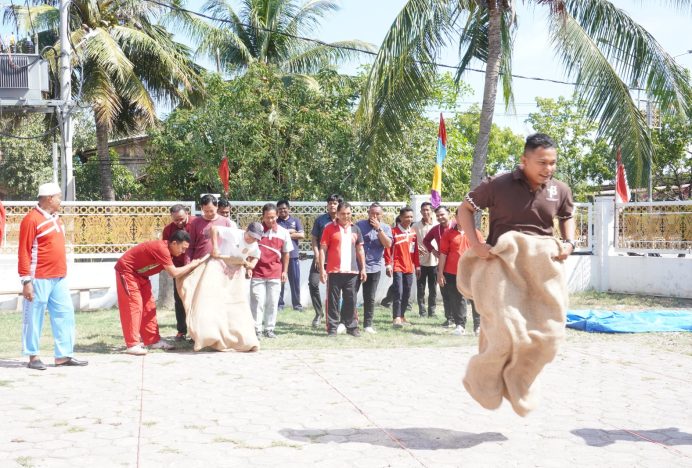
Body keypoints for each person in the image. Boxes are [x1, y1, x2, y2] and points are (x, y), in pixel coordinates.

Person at [458, 133, 575, 259]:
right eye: (542, 162)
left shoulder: (561, 189)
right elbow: (465, 208)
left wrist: (569, 244)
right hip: (501, 267)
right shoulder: (497, 184)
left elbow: (567, 216)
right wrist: (476, 245)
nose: (548, 169)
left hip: (542, 267)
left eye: (552, 163)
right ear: (524, 160)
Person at [18, 182, 88, 370]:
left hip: (59, 277)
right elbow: (24, 252)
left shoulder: (57, 218)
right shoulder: (31, 219)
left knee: (65, 314)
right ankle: (33, 356)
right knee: (33, 317)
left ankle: (63, 356)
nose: (60, 201)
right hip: (38, 277)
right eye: (58, 197)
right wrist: (26, 281)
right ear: (49, 198)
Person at [175, 222, 262, 352]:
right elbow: (214, 229)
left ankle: (235, 339)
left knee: (235, 306)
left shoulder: (254, 244)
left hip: (235, 275)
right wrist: (215, 247)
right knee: (211, 303)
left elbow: (256, 255)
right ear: (246, 230)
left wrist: (252, 264)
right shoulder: (235, 234)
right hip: (218, 268)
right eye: (250, 235)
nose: (252, 239)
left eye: (255, 237)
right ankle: (208, 336)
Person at [115, 230, 206, 355]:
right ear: (174, 243)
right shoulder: (161, 248)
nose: (183, 252)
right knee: (134, 306)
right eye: (182, 248)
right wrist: (192, 265)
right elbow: (174, 273)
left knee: (149, 307)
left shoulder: (171, 252)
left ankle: (153, 341)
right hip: (127, 272)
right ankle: (132, 344)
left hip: (142, 275)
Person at [319, 202, 367, 337]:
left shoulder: (356, 229)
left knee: (351, 300)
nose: (346, 216)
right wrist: (322, 270)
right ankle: (332, 328)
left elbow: (360, 249)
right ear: (338, 214)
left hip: (352, 272)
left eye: (348, 213)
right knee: (333, 301)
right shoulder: (329, 229)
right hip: (334, 271)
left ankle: (351, 326)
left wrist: (363, 268)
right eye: (343, 214)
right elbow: (323, 249)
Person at [438, 209, 485, 336]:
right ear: (456, 217)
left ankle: (478, 326)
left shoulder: (476, 233)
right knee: (456, 298)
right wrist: (440, 273)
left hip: (472, 272)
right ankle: (460, 325)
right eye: (461, 216)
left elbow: (482, 252)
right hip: (452, 272)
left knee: (475, 298)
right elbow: (443, 254)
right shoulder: (448, 234)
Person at [251, 203, 293, 339]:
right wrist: (248, 267)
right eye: (268, 217)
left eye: (273, 217)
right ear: (262, 217)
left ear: (277, 216)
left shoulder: (283, 232)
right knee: (257, 301)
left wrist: (285, 271)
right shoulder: (255, 230)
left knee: (273, 302)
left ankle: (269, 329)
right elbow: (248, 248)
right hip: (257, 272)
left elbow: (286, 253)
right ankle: (256, 329)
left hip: (275, 273)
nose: (271, 220)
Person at [355, 203, 393, 334]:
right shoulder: (359, 225)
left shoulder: (386, 228)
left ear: (382, 215)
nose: (375, 216)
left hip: (374, 267)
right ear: (368, 213)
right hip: (358, 266)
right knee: (351, 295)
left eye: (378, 214)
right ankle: (348, 321)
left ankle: (367, 324)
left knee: (370, 297)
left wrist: (378, 229)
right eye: (372, 213)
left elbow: (388, 244)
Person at [309, 194, 343, 328]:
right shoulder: (321, 220)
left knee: (335, 289)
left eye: (334, 203)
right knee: (313, 284)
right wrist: (317, 255)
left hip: (336, 259)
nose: (332, 205)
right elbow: (314, 239)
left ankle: (335, 315)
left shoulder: (343, 219)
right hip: (320, 258)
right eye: (330, 203)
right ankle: (318, 313)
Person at [161, 204, 194, 341]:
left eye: (181, 219)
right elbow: (166, 250)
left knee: (195, 299)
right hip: (178, 269)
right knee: (179, 299)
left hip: (195, 267)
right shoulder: (168, 230)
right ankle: (181, 330)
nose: (179, 223)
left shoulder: (195, 223)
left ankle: (195, 331)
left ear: (187, 213)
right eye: (176, 220)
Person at [384, 207, 420, 327]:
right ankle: (396, 317)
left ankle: (402, 315)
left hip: (409, 267)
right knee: (398, 292)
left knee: (407, 293)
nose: (409, 219)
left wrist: (418, 267)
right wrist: (388, 264)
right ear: (400, 218)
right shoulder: (393, 232)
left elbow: (415, 252)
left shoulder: (413, 233)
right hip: (397, 266)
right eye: (406, 217)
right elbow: (387, 249)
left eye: (411, 217)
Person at [423, 206, 454, 324]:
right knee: (445, 292)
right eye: (438, 216)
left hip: (457, 265)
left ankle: (459, 319)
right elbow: (426, 240)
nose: (440, 217)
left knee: (456, 293)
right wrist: (434, 251)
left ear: (449, 213)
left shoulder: (457, 225)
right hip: (442, 265)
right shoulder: (436, 229)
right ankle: (449, 318)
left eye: (442, 214)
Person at [186, 194, 234, 264]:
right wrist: (188, 263)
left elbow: (230, 244)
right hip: (200, 262)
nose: (209, 214)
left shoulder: (226, 222)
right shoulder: (195, 223)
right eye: (206, 211)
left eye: (211, 211)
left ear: (217, 207)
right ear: (201, 208)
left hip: (220, 263)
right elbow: (190, 246)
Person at [276, 200, 305, 311]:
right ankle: (279, 305)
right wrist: (290, 232)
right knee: (279, 281)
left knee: (295, 281)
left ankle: (297, 305)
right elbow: (277, 235)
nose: (282, 210)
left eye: (284, 208)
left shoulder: (295, 220)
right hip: (279, 256)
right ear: (277, 210)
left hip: (293, 255)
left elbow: (301, 235)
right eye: (280, 209)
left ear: (288, 209)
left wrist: (285, 233)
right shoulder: (275, 221)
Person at [412, 202, 438, 318]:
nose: (426, 212)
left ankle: (432, 312)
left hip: (435, 261)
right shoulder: (416, 226)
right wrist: (417, 248)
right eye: (423, 210)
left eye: (428, 210)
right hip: (421, 262)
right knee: (421, 288)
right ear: (421, 212)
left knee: (433, 289)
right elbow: (411, 241)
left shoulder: (437, 224)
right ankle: (422, 312)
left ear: (431, 211)